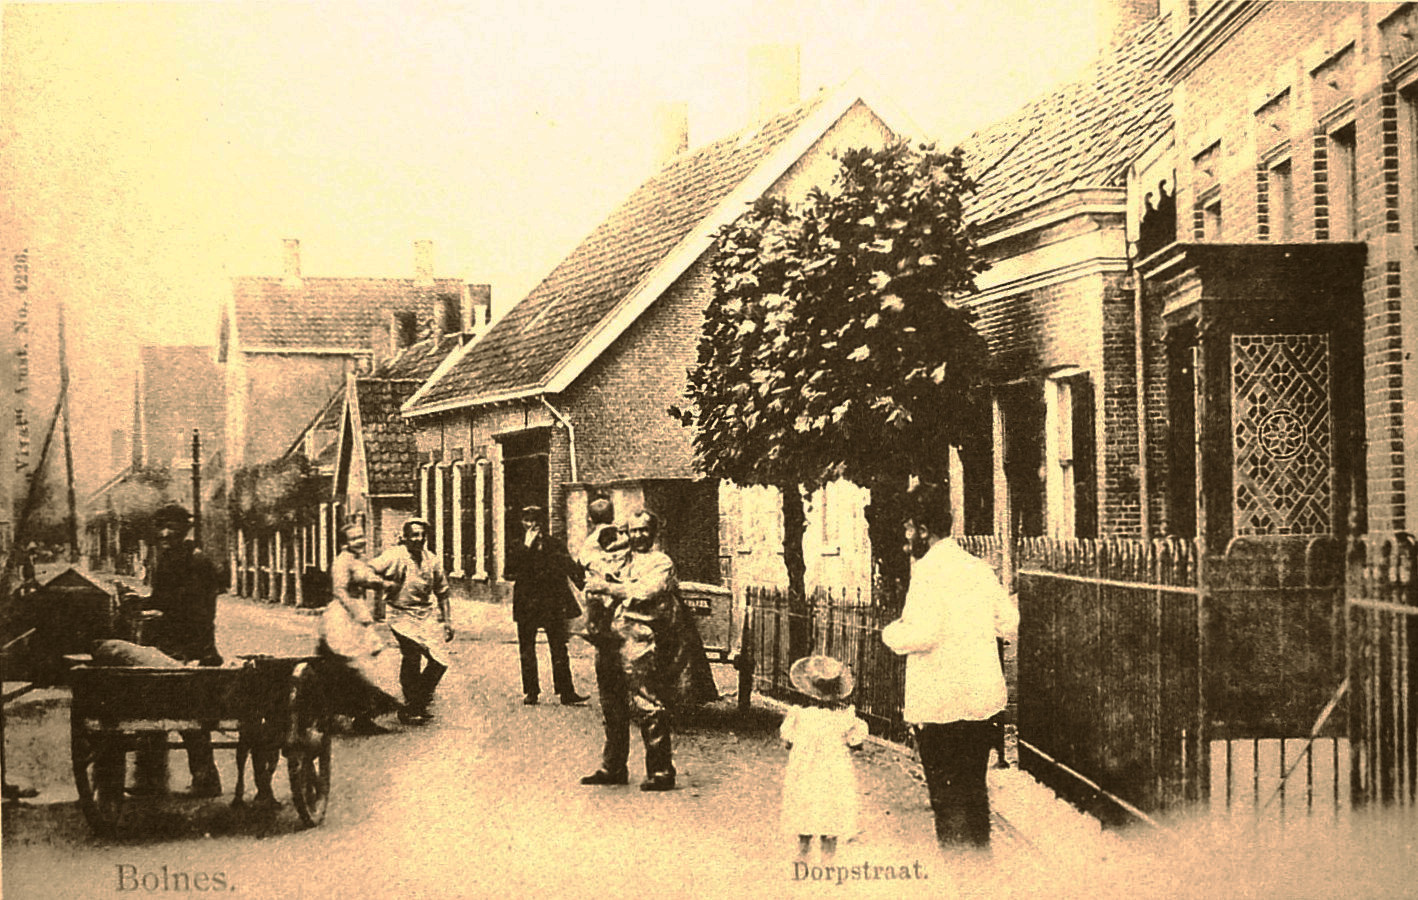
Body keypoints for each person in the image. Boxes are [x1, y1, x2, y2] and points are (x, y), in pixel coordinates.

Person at [882, 482, 1018, 854]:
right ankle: (982, 874)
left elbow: (922, 634)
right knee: (974, 795)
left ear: (924, 530)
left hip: (942, 707)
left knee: (947, 804)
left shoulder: (928, 572)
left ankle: (961, 877)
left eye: (910, 529)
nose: (907, 538)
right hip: (981, 704)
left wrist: (891, 633)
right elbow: (1008, 621)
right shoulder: (978, 568)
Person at [580, 509, 711, 792]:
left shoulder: (661, 562)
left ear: (654, 532)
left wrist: (607, 587)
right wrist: (608, 533)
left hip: (640, 638)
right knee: (611, 703)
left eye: (644, 530)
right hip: (610, 636)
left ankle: (661, 770)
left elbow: (646, 591)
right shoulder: (619, 557)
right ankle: (613, 766)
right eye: (633, 530)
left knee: (645, 701)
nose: (638, 535)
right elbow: (587, 555)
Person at [115, 503, 224, 797]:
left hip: (195, 648)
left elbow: (198, 611)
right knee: (152, 709)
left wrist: (159, 614)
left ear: (184, 530)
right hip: (167, 647)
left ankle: (205, 779)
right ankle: (151, 779)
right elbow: (162, 599)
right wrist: (139, 602)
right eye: (160, 527)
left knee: (189, 714)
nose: (164, 533)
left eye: (171, 527)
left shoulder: (197, 562)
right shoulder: (166, 559)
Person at [780, 655, 867, 865]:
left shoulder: (799, 716)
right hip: (833, 774)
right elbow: (856, 741)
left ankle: (803, 852)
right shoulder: (844, 718)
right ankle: (828, 857)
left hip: (805, 773)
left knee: (804, 803)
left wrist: (798, 744)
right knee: (831, 807)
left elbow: (787, 740)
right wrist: (850, 744)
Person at [371, 518, 453, 726]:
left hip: (424, 615)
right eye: (414, 535)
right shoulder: (394, 555)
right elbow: (369, 570)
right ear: (405, 537)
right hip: (400, 614)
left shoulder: (432, 560)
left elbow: (443, 592)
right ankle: (413, 705)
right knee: (412, 654)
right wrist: (383, 584)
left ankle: (417, 702)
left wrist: (448, 621)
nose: (419, 539)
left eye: (422, 535)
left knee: (440, 661)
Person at [323, 521, 401, 734]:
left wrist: (384, 584)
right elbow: (339, 590)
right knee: (355, 666)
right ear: (344, 543)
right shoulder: (342, 562)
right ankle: (352, 716)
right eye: (355, 538)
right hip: (343, 616)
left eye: (362, 536)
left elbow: (367, 579)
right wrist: (357, 613)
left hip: (356, 613)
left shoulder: (356, 560)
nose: (361, 541)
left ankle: (360, 716)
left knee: (365, 664)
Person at [505, 506, 588, 706]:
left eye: (535, 521)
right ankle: (531, 691)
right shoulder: (517, 546)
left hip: (552, 604)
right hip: (527, 604)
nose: (531, 525)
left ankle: (566, 691)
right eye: (527, 520)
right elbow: (509, 572)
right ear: (522, 523)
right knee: (527, 648)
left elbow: (570, 567)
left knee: (559, 647)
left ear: (542, 523)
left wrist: (585, 580)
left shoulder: (554, 544)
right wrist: (526, 546)